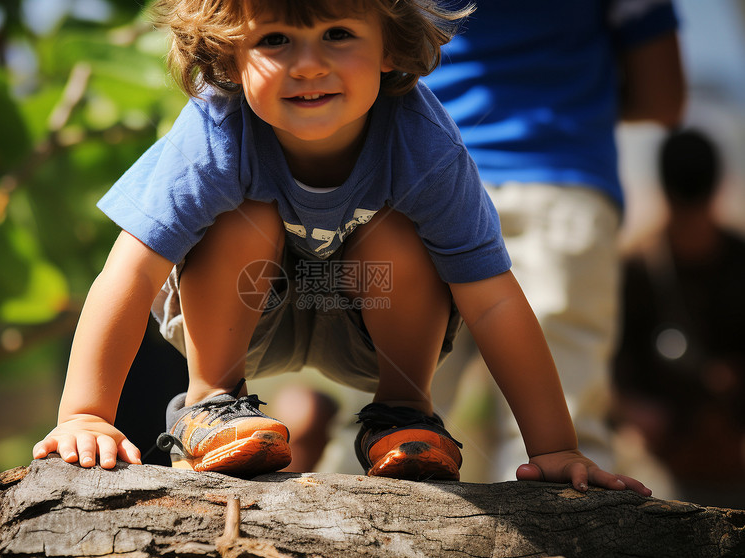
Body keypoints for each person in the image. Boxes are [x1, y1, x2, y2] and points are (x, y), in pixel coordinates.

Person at [32, 0, 650, 495]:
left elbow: (491, 300)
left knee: (403, 227)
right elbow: (132, 272)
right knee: (241, 209)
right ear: (228, 55)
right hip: (241, 312)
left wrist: (554, 447)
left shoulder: (422, 143)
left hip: (371, 317)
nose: (307, 64)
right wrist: (84, 414)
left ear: (391, 46)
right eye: (275, 39)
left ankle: (403, 414)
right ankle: (210, 403)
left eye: (336, 33)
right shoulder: (218, 129)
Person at [421, 0, 686, 481]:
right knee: (563, 446)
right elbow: (663, 94)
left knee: (391, 419)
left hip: (421, 181)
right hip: (560, 182)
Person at [614, 129, 745, 508]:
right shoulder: (638, 269)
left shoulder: (739, 262)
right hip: (661, 457)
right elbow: (607, 370)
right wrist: (633, 411)